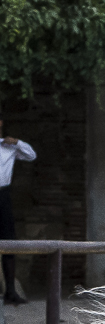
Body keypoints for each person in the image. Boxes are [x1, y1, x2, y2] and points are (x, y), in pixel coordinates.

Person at [0, 119, 36, 305]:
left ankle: (10, 292)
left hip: (3, 195)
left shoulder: (8, 147)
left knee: (8, 242)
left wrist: (16, 142)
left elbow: (31, 155)